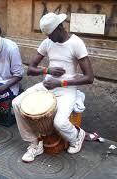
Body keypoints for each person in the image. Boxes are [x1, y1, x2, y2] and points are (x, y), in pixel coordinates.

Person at [12, 12, 94, 163]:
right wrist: (47, 70)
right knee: (16, 103)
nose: (48, 37)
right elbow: (30, 69)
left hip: (66, 89)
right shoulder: (48, 43)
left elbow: (89, 78)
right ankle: (34, 143)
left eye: (50, 34)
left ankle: (77, 137)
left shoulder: (76, 43)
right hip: (47, 85)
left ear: (59, 28)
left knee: (60, 122)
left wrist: (61, 83)